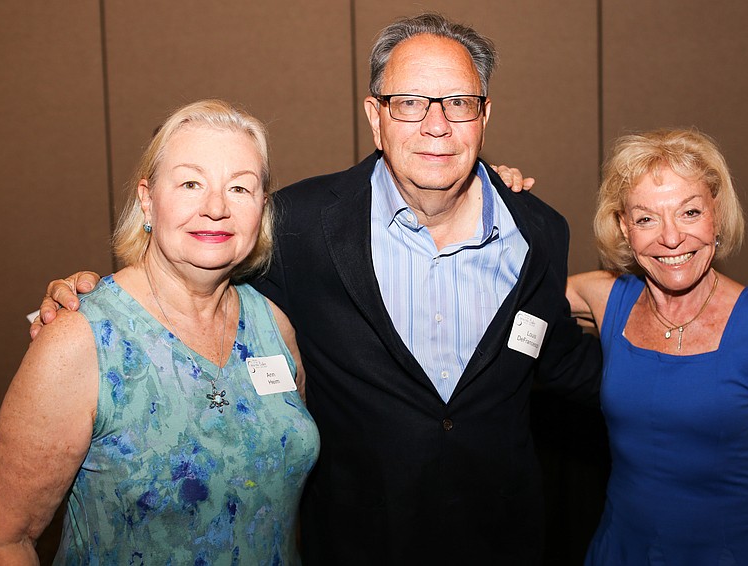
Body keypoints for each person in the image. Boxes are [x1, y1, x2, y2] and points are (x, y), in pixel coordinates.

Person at [31, 13, 602, 564]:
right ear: (375, 117)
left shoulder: (539, 229)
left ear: (485, 116)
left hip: (501, 545)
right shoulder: (300, 226)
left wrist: (674, 349)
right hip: (355, 546)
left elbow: (560, 362)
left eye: (459, 103)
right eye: (409, 104)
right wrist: (88, 295)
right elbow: (191, 265)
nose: (437, 125)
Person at [0, 99, 320, 564]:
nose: (216, 208)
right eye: (190, 183)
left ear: (261, 207)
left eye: (241, 189)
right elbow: (3, 538)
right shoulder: (82, 340)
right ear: (147, 199)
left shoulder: (274, 325)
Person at [566, 128, 748, 564]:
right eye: (646, 218)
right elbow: (508, 289)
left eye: (689, 212)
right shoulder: (607, 299)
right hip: (619, 552)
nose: (670, 238)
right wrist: (486, 197)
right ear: (624, 228)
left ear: (716, 215)